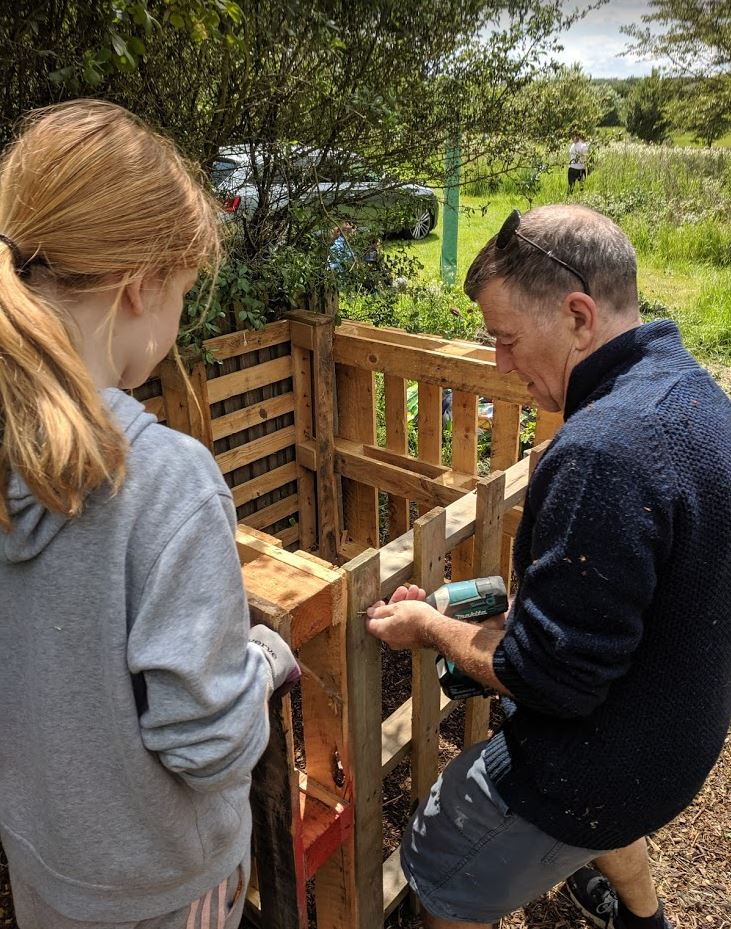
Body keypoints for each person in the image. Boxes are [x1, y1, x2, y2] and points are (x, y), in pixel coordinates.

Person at [366, 204, 731, 929]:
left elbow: (546, 680)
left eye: (504, 339)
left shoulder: (602, 452)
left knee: (435, 859)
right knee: (598, 820)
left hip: (597, 768)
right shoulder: (691, 392)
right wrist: (507, 612)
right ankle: (641, 916)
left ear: (576, 315)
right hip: (676, 736)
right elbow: (623, 601)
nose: (499, 365)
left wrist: (429, 625)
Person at [0, 100, 299, 929]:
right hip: (167, 889)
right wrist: (264, 663)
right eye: (184, 296)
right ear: (142, 285)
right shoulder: (165, 480)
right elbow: (204, 744)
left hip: (47, 868)